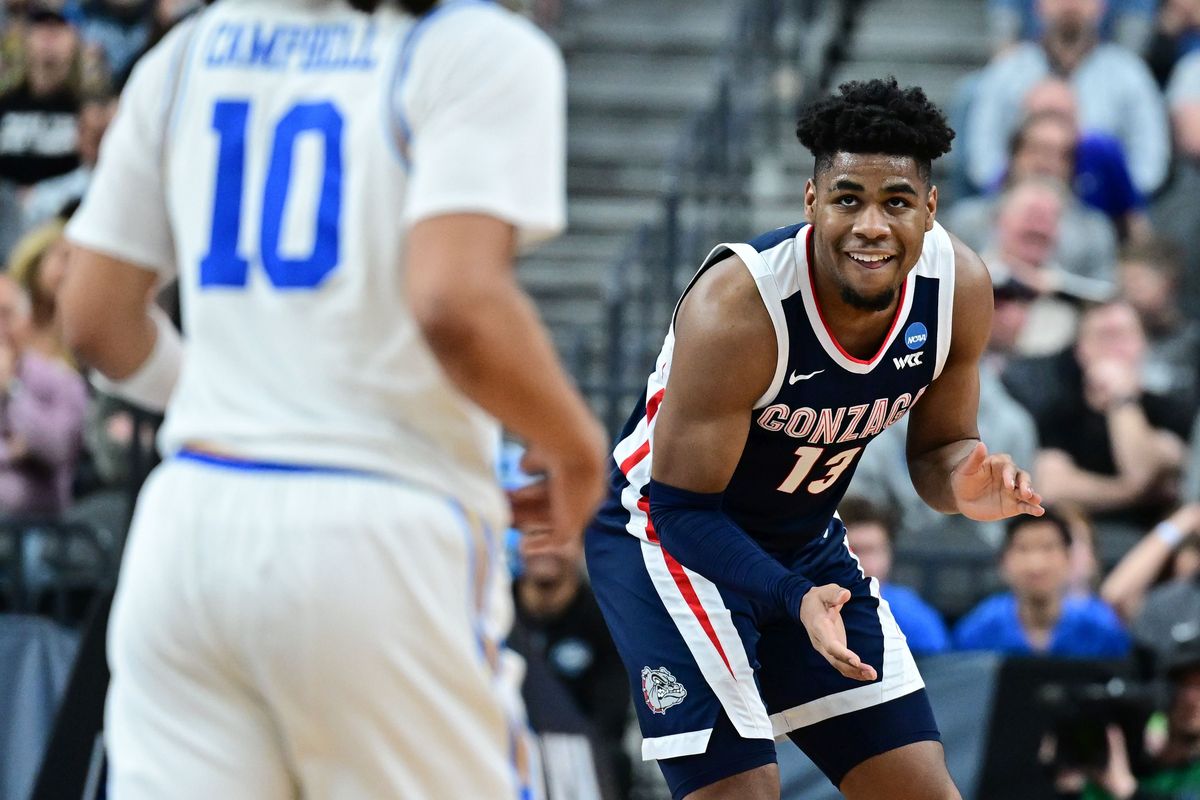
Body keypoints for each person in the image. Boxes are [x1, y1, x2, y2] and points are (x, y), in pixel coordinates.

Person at [58, 1, 608, 798]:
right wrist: (576, 445)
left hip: (193, 515)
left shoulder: (186, 53)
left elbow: (93, 317)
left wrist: (236, 391)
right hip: (379, 517)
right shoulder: (469, 46)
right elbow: (454, 300)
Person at [585, 77, 1043, 800]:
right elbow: (680, 509)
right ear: (811, 201)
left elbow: (938, 450)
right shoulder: (739, 308)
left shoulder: (959, 287)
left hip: (799, 539)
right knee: (743, 792)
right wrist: (792, 596)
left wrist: (966, 484)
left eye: (895, 201)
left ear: (929, 210)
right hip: (664, 538)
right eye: (847, 198)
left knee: (919, 788)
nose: (870, 225)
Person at [953, 510, 1130, 657]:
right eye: (1023, 549)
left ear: (1069, 559)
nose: (1036, 564)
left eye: (1048, 548)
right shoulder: (977, 630)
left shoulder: (1102, 629)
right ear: (1003, 562)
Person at [0, 272, 86, 516]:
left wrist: (12, 390)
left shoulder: (60, 379)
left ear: (26, 320)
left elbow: (57, 447)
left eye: (6, 314)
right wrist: (12, 452)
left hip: (38, 526)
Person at [838, 496, 951, 656]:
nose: (861, 561)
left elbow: (942, 669)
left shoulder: (912, 615)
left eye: (871, 550)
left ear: (889, 554)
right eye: (853, 549)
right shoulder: (805, 604)